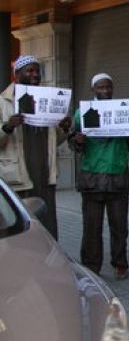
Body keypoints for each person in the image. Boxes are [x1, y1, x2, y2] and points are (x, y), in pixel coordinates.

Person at [70, 73, 129, 280]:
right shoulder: (80, 114)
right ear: (93, 90)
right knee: (92, 227)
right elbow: (73, 145)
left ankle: (120, 264)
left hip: (117, 177)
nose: (105, 91)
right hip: (92, 179)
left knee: (120, 226)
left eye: (108, 87)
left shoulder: (123, 111)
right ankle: (91, 267)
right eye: (101, 88)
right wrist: (79, 140)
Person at [0, 55, 71, 239]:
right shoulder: (3, 103)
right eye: (29, 71)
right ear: (16, 75)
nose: (35, 75)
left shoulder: (45, 100)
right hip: (19, 177)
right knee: (23, 229)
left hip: (44, 177)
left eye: (37, 71)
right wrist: (7, 127)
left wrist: (63, 129)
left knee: (47, 227)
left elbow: (54, 140)